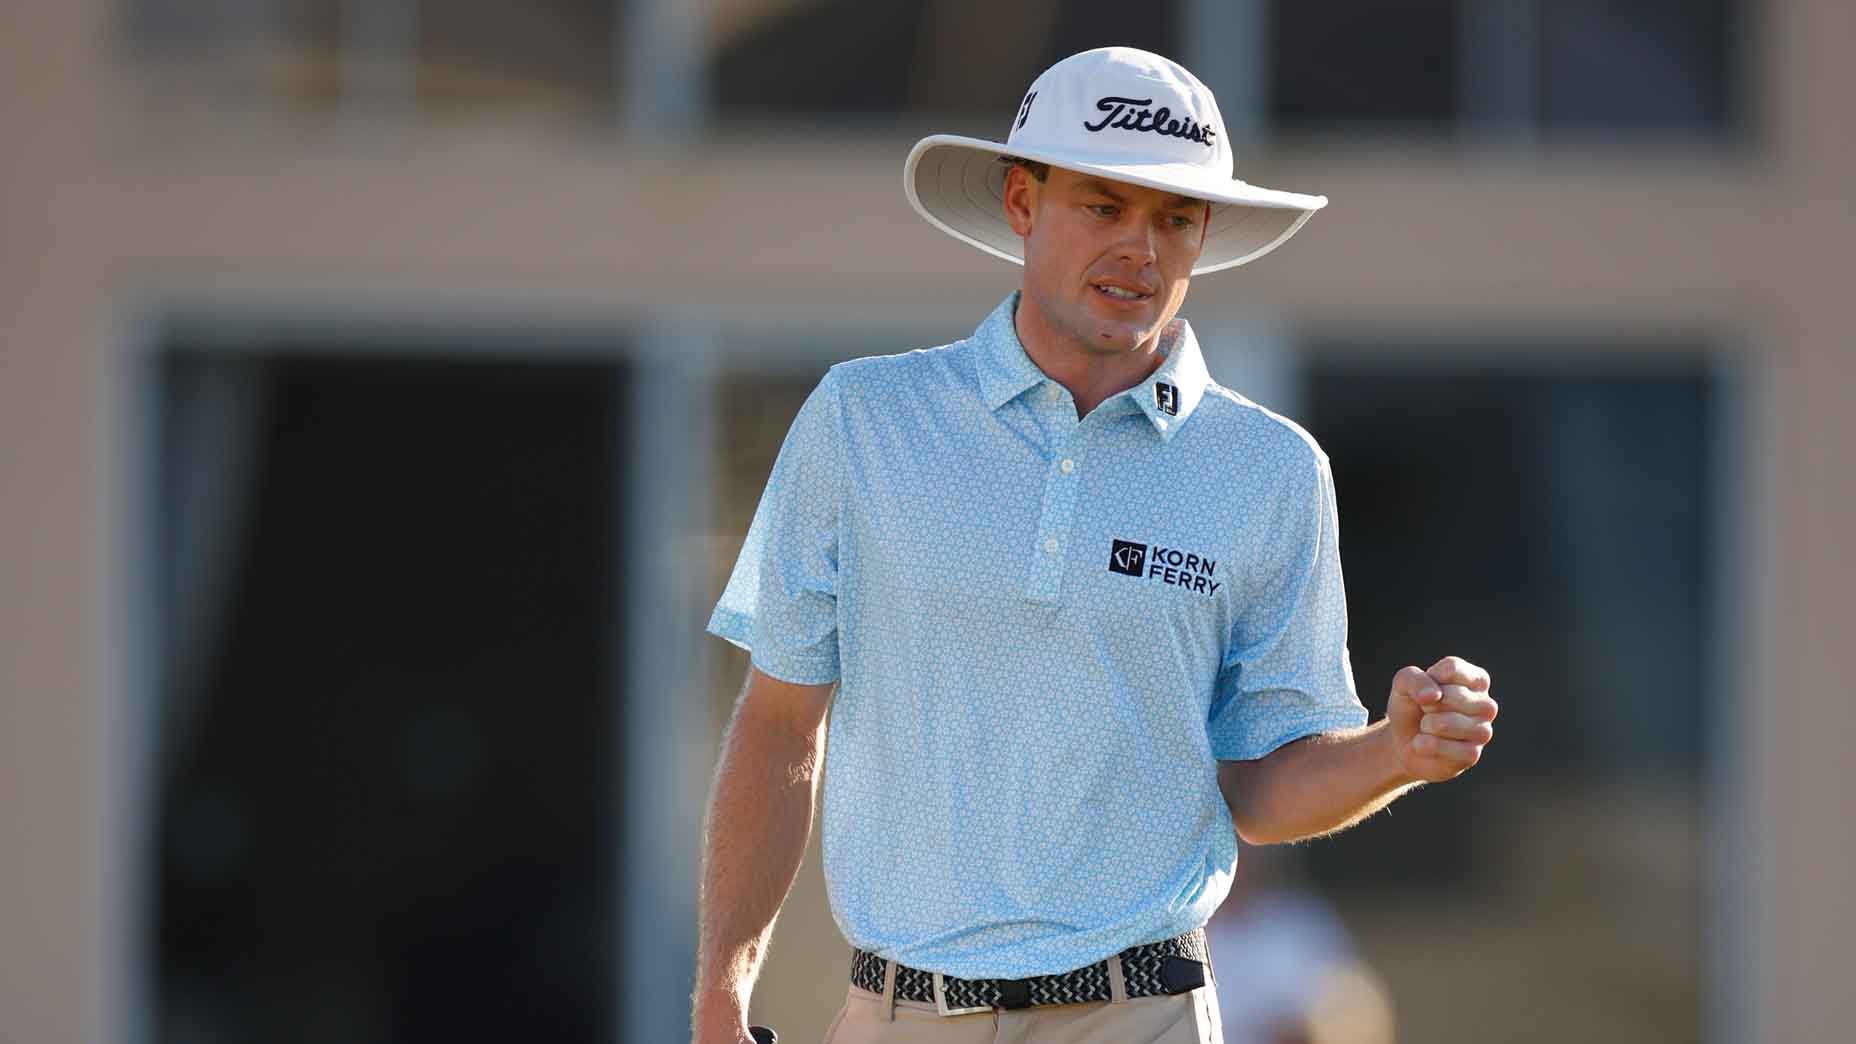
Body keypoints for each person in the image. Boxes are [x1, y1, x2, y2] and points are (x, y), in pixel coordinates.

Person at [693, 47, 1497, 1044]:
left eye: (1173, 219)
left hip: (1143, 1015)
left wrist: (1390, 752)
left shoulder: (1271, 470)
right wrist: (723, 988)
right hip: (895, 1014)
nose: (1139, 248)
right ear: (1022, 203)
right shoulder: (860, 419)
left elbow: (1258, 782)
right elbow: (778, 724)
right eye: (1102, 206)